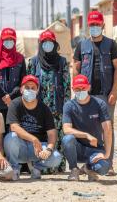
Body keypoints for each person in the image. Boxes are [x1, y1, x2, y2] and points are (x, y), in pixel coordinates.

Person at [73, 11, 117, 175]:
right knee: (88, 129)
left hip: (106, 95)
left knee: (107, 129)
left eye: (97, 24)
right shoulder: (82, 45)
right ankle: (88, 164)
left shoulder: (112, 45)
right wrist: (78, 90)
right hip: (86, 96)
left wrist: (115, 90)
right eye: (91, 25)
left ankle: (108, 162)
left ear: (103, 25)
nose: (94, 27)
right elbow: (76, 68)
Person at [27, 30, 71, 172]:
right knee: (40, 137)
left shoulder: (62, 62)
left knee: (57, 137)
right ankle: (40, 167)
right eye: (44, 42)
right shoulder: (33, 62)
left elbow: (67, 87)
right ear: (40, 44)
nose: (47, 45)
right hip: (38, 109)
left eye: (50, 42)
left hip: (57, 109)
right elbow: (28, 86)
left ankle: (58, 167)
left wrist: (66, 109)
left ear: (55, 44)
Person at [4, 75, 62, 180]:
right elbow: (14, 127)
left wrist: (49, 149)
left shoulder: (44, 108)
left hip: (38, 149)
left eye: (33, 88)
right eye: (27, 87)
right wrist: (34, 139)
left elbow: (52, 133)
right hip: (20, 147)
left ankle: (37, 168)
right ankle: (14, 169)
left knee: (57, 158)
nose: (29, 90)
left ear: (37, 90)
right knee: (10, 137)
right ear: (21, 89)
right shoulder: (15, 104)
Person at [62, 75, 112, 181]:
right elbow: (66, 129)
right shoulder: (69, 105)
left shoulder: (100, 104)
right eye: (77, 89)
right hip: (77, 149)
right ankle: (74, 169)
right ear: (73, 89)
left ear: (88, 87)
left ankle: (87, 168)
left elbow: (107, 129)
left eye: (83, 88)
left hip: (95, 149)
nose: (81, 91)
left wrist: (106, 154)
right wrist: (86, 135)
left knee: (104, 168)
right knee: (67, 139)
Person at [0, 27, 26, 131]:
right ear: (1, 40)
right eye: (6, 39)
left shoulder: (20, 59)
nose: (9, 42)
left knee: (14, 132)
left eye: (11, 39)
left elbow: (23, 81)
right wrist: (4, 96)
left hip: (15, 102)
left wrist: (11, 96)